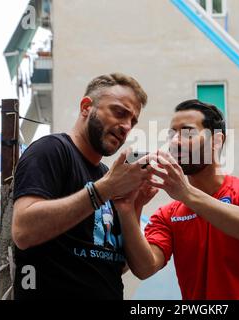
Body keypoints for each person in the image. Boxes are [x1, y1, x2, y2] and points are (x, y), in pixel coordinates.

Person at [114, 99, 239, 300]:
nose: (175, 141)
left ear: (217, 141)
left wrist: (186, 193)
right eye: (172, 134)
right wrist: (128, 207)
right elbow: (145, 268)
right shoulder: (168, 214)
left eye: (187, 133)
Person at [11, 73, 155, 299]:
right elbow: (23, 232)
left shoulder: (107, 176)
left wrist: (132, 207)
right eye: (119, 112)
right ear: (86, 107)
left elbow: (118, 264)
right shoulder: (51, 150)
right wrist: (103, 190)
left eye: (133, 121)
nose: (126, 126)